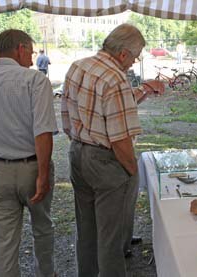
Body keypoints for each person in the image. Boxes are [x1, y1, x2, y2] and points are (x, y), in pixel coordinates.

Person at [61, 23, 164, 277]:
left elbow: (68, 113)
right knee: (110, 237)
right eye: (135, 56)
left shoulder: (79, 65)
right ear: (123, 54)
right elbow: (120, 140)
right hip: (105, 162)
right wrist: (131, 171)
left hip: (77, 152)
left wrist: (143, 91)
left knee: (86, 229)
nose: (134, 62)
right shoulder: (115, 78)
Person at [0, 29, 58, 277]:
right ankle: (46, 274)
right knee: (42, 228)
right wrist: (42, 174)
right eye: (30, 49)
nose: (32, 55)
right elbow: (43, 131)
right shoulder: (35, 80)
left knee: (3, 242)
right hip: (31, 167)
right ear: (20, 48)